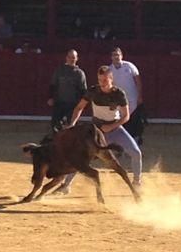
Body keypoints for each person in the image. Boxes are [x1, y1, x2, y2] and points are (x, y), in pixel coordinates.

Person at [56, 65, 142, 195]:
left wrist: (112, 126)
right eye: (100, 80)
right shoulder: (93, 91)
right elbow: (79, 107)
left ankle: (137, 183)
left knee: (136, 153)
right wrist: (72, 124)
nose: (102, 83)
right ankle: (66, 185)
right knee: (80, 158)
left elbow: (126, 116)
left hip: (115, 129)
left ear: (111, 79)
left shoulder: (119, 94)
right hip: (96, 131)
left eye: (105, 80)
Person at [109, 47, 145, 144]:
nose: (116, 57)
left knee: (135, 120)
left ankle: (136, 139)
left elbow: (138, 81)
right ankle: (121, 142)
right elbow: (109, 86)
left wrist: (140, 95)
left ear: (121, 56)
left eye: (118, 55)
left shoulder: (129, 66)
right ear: (111, 57)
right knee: (121, 120)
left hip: (133, 98)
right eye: (114, 55)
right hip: (119, 100)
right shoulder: (109, 69)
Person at [47, 49, 87, 131]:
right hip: (59, 103)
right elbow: (53, 85)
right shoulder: (59, 70)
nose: (71, 59)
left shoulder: (79, 73)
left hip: (73, 105)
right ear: (66, 58)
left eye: (73, 57)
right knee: (55, 125)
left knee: (72, 127)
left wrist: (81, 105)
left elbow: (83, 90)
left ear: (77, 59)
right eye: (70, 57)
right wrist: (50, 97)